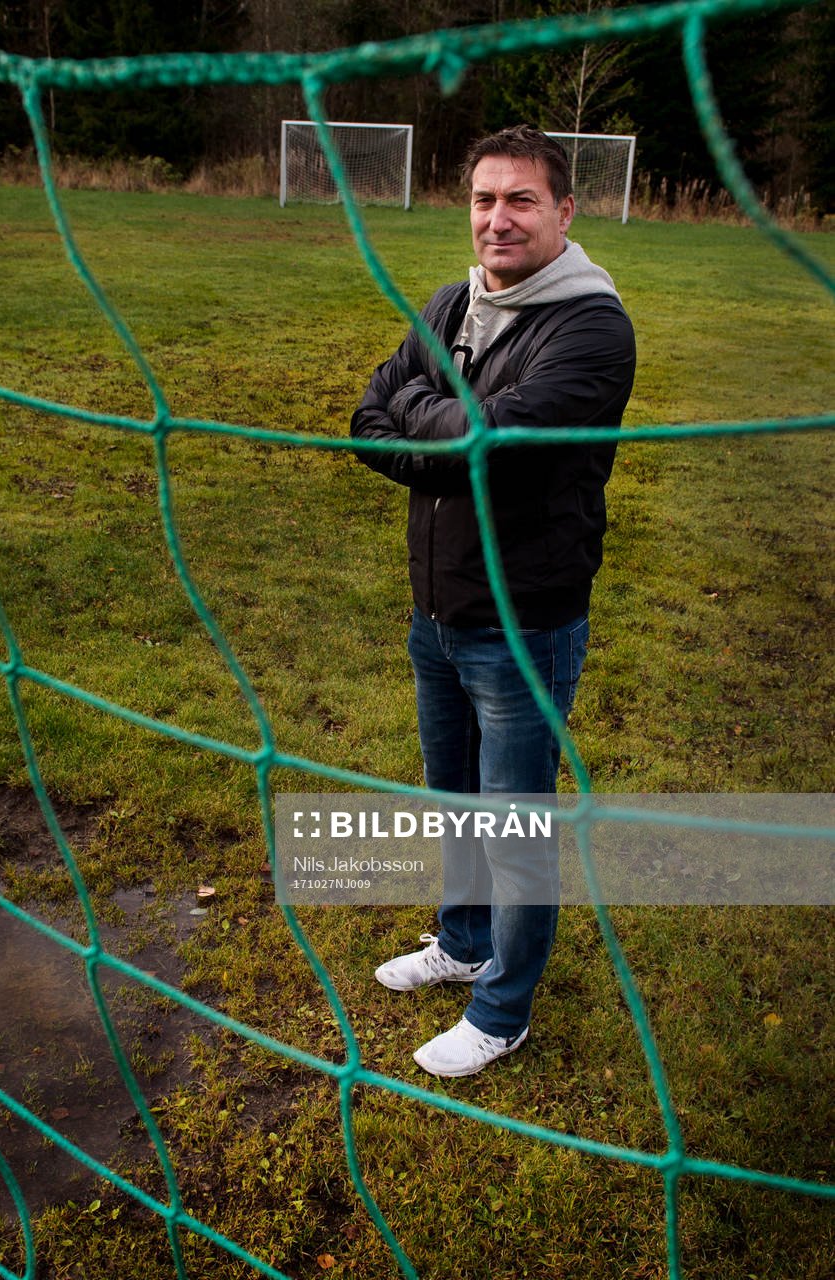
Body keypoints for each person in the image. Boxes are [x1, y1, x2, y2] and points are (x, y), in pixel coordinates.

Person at [350, 124, 636, 1078]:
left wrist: (424, 417)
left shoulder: (591, 327)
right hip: (435, 612)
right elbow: (366, 419)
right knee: (455, 803)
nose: (498, 218)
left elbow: (492, 453)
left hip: (524, 624)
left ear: (564, 211)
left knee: (514, 828)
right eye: (483, 198)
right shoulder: (449, 302)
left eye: (520, 199)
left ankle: (502, 1009)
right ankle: (464, 942)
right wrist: (442, 425)